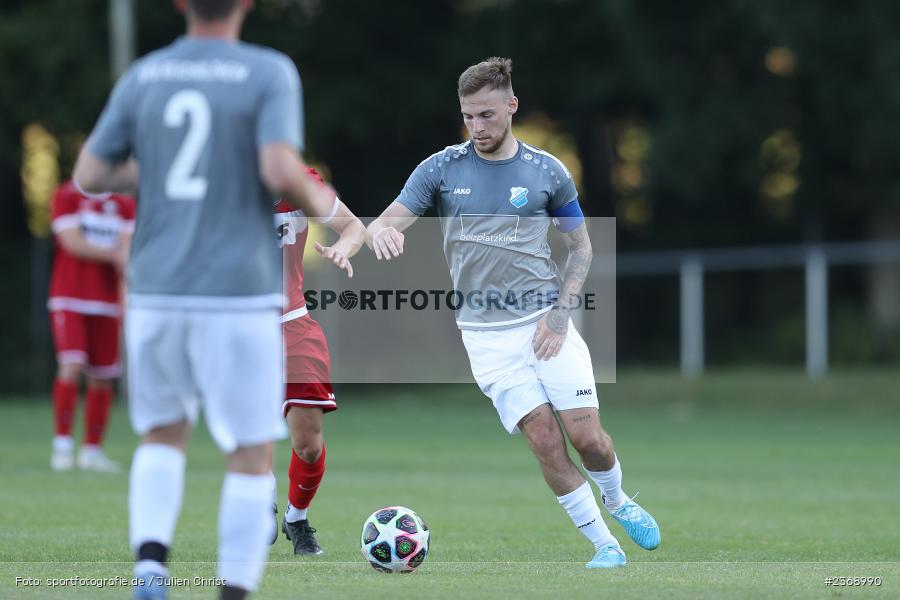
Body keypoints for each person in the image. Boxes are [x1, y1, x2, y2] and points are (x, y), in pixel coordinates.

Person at [73, 1, 349, 598]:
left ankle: (151, 568)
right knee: (251, 452)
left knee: (162, 437)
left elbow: (90, 175)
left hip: (157, 291)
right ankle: (233, 590)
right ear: (245, 4)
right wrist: (304, 196)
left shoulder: (145, 73)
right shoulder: (268, 70)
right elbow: (278, 164)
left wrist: (158, 169)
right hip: (237, 298)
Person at [366, 57, 660, 569]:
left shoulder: (548, 171)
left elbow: (582, 249)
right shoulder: (441, 168)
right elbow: (387, 222)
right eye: (468, 116)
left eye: (486, 114)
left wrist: (560, 315)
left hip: (547, 321)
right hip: (486, 338)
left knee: (588, 439)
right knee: (545, 440)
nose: (477, 127)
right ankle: (605, 547)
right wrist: (382, 231)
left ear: (511, 105)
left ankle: (617, 498)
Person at [273, 167, 365, 555]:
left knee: (308, 445)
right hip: (235, 329)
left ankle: (296, 517)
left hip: (292, 326)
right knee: (248, 432)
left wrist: (343, 247)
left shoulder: (294, 180)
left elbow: (353, 227)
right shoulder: (214, 181)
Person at [47, 179, 134, 473]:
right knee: (71, 365)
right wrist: (115, 254)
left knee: (102, 376)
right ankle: (62, 448)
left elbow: (127, 249)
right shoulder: (67, 195)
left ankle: (92, 451)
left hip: (108, 302)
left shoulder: (123, 204)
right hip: (69, 297)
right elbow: (71, 241)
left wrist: (125, 296)